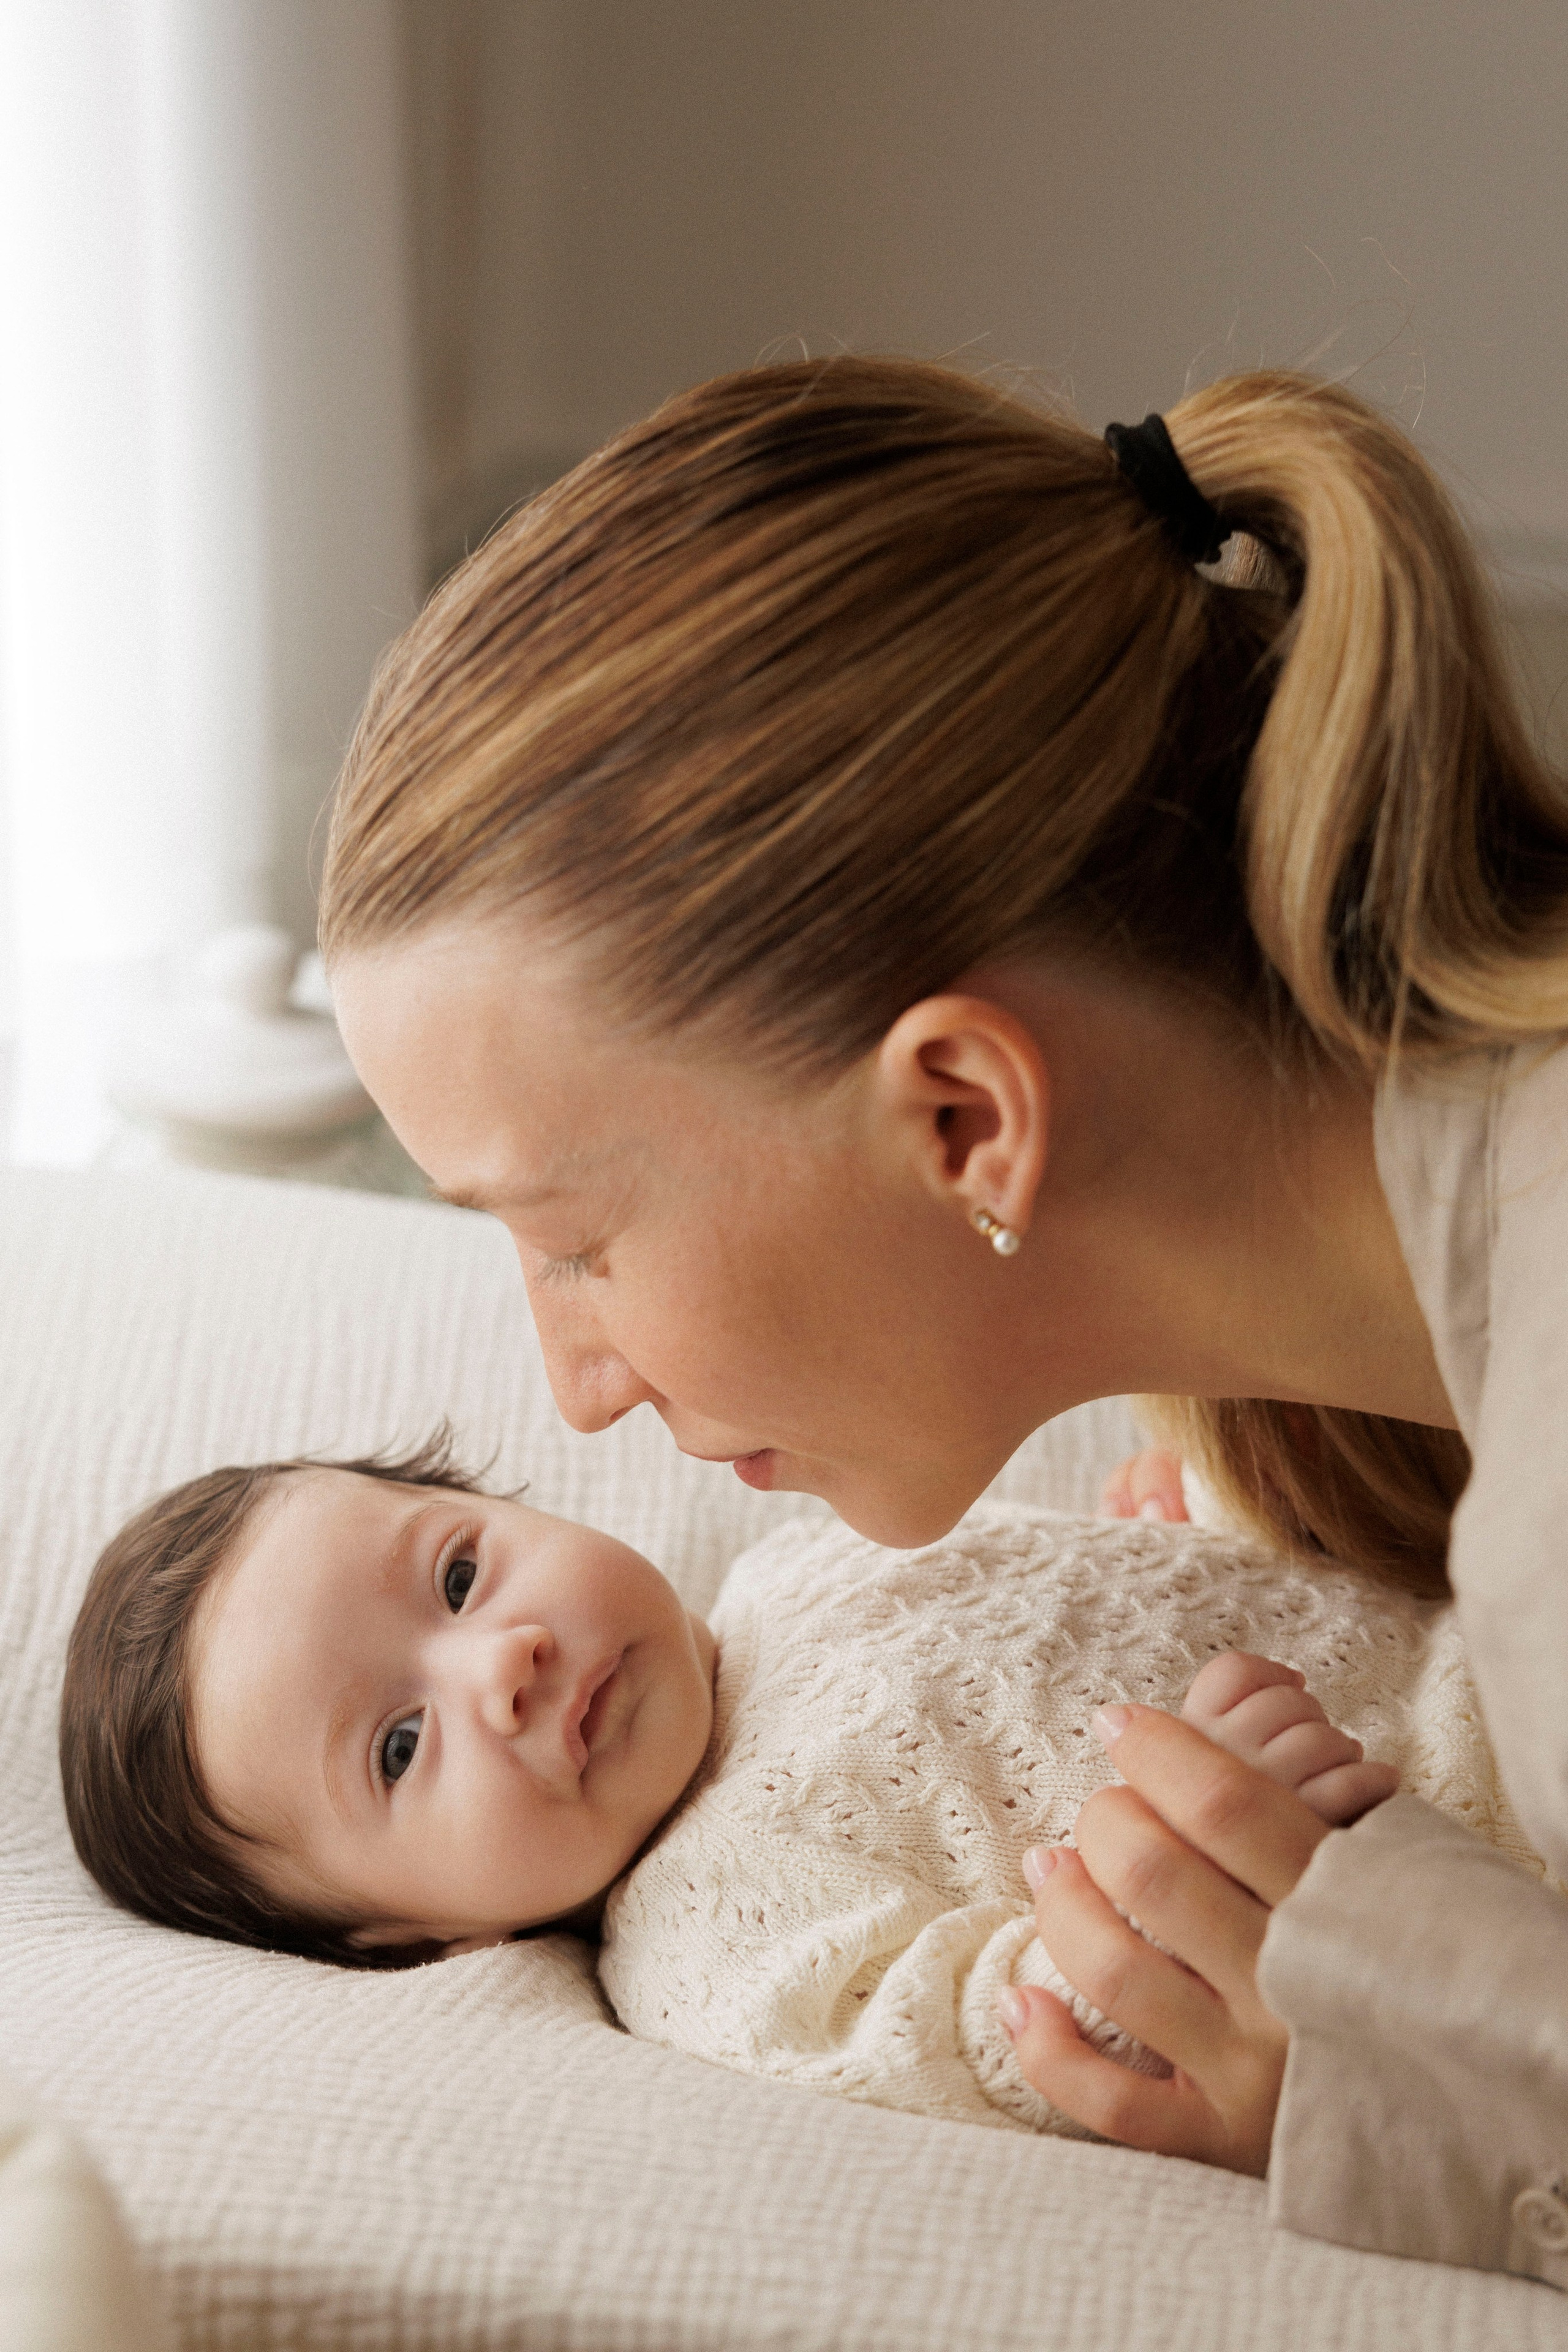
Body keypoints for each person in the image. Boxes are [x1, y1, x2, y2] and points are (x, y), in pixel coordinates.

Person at [315, 357, 1568, 2282]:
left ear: (966, 1120)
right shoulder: (1338, 1428)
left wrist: (1448, 2064)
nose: (575, 1391)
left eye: (572, 1241)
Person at [64, 1440, 1519, 2150]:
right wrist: (1203, 1855)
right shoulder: (702, 1943)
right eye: (398, 1747)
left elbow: (1052, 1605)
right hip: (1469, 1863)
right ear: (415, 1941)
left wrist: (1193, 1523)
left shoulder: (799, 1554)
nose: (498, 1662)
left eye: (457, 1575)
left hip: (1488, 1618)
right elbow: (982, 2041)